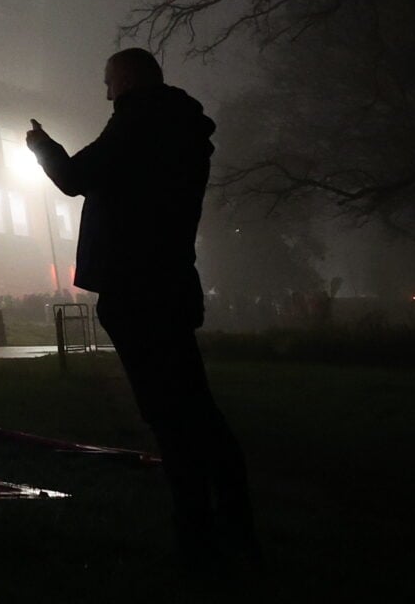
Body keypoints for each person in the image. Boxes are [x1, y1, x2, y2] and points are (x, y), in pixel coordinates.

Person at [26, 47, 254, 564]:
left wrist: (41, 146)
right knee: (195, 408)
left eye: (109, 83)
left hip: (136, 286)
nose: (106, 94)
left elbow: (75, 178)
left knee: (171, 415)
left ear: (128, 79)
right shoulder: (185, 131)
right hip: (168, 280)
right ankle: (234, 527)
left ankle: (197, 537)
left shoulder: (138, 123)